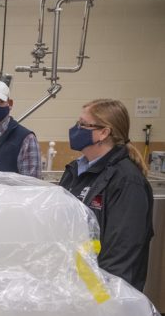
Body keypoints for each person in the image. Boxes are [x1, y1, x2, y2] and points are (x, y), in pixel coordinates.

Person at [59, 99, 154, 291]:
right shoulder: (75, 170)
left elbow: (121, 253)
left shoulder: (126, 181)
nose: (76, 129)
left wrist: (98, 296)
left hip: (103, 292)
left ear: (103, 133)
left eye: (83, 124)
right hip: (75, 284)